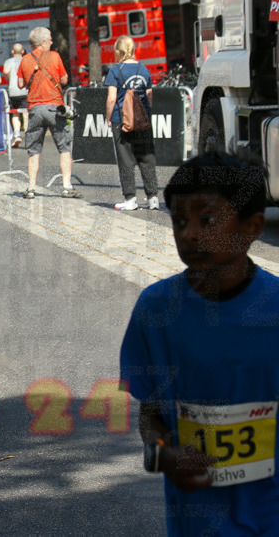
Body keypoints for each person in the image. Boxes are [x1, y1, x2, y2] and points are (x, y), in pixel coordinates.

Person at [119, 151, 279, 536]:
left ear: (251, 227)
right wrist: (162, 455)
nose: (189, 233)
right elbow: (150, 412)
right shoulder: (155, 312)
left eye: (207, 220)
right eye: (179, 221)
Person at [17, 26, 81, 199]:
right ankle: (67, 187)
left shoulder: (25, 60)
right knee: (64, 147)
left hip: (35, 109)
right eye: (50, 39)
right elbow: (64, 79)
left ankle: (31, 188)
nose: (52, 42)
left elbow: (21, 84)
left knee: (33, 149)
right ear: (43, 42)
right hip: (54, 107)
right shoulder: (55, 56)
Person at [105, 35, 159, 211]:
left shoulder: (115, 71)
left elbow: (112, 98)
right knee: (146, 157)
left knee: (126, 159)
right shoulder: (143, 69)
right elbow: (149, 95)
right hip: (142, 120)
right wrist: (146, 113)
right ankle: (153, 198)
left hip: (121, 120)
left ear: (119, 52)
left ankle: (130, 199)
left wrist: (108, 116)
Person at [3, 43, 28, 147]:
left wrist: (8, 76)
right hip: (25, 90)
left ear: (12, 51)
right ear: (23, 51)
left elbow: (6, 72)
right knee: (26, 114)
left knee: (15, 113)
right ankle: (28, 137)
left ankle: (17, 134)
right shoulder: (26, 61)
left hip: (13, 91)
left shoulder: (8, 61)